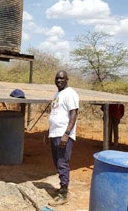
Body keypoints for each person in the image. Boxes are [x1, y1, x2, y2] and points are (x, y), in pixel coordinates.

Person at [46, 70, 79, 206]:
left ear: (67, 79)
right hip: (55, 133)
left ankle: (64, 194)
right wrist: (48, 132)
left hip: (63, 134)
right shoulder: (58, 94)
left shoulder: (70, 93)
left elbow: (74, 114)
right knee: (57, 162)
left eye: (61, 78)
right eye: (57, 78)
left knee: (62, 162)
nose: (58, 80)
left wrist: (67, 134)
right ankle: (62, 188)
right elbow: (55, 113)